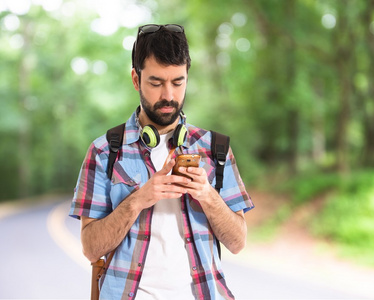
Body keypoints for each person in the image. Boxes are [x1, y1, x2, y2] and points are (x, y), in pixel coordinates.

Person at [69, 24, 254, 300]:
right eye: (156, 83)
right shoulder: (104, 151)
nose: (168, 95)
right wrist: (139, 199)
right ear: (136, 79)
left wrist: (207, 195)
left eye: (178, 82)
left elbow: (238, 242)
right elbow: (91, 248)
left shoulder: (216, 149)